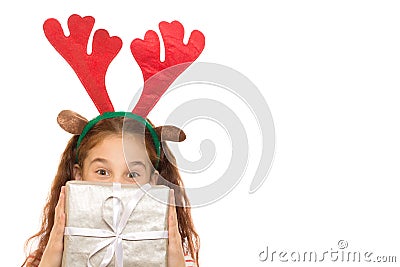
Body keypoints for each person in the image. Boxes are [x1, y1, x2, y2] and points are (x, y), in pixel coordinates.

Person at [22, 115, 199, 267]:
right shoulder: (40, 260)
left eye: (132, 174)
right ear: (78, 176)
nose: (117, 186)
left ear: (152, 182)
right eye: (102, 172)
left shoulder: (181, 262)